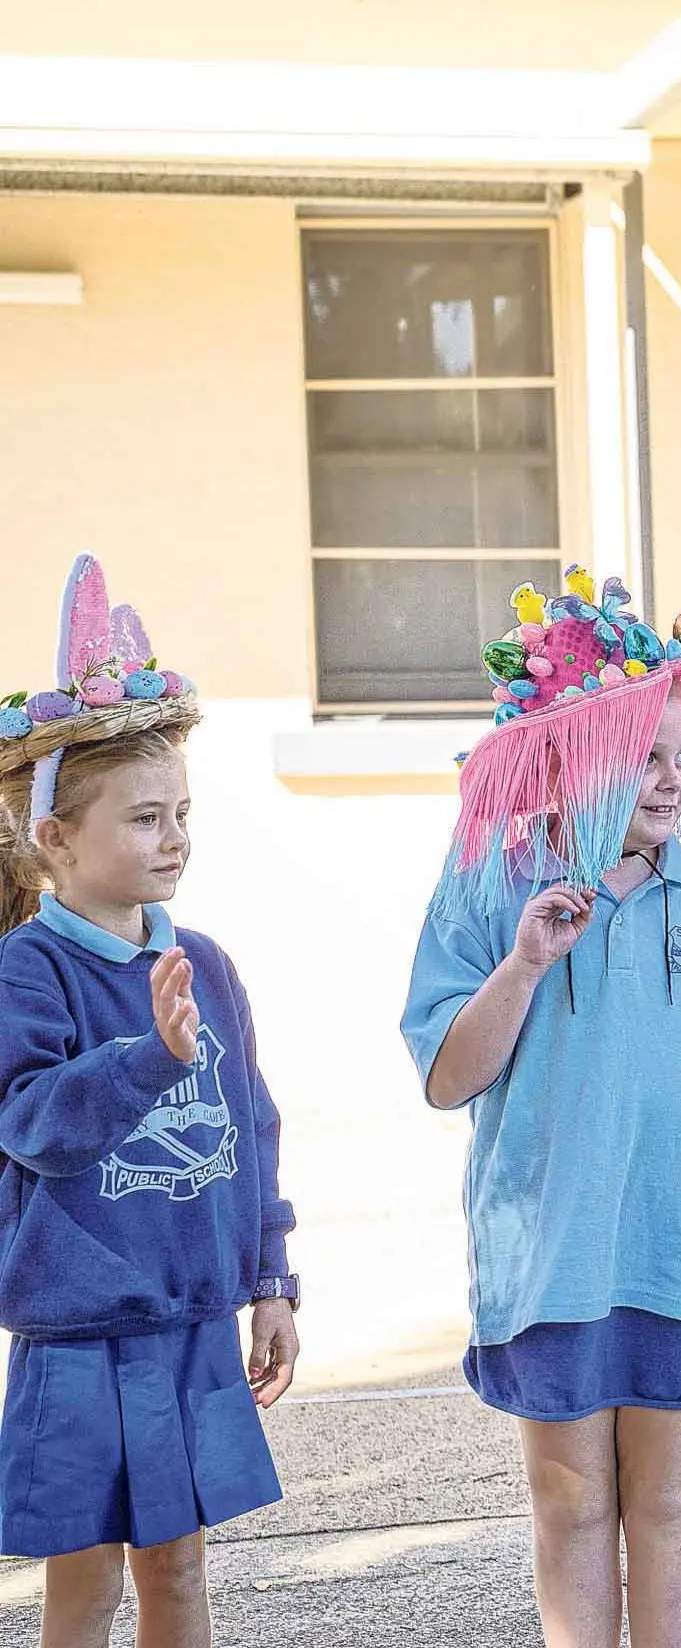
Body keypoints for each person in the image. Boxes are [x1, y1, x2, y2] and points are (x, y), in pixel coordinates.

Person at [402, 570, 681, 1648]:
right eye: (647, 754)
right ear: (569, 752)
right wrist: (525, 963)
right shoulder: (486, 890)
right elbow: (448, 1076)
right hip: (552, 1252)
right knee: (572, 1502)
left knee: (673, 1500)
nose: (674, 777)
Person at [0, 556, 299, 1648]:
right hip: (77, 1332)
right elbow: (29, 1121)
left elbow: (254, 1131)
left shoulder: (206, 963)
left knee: (179, 1573)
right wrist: (148, 1060)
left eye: (180, 812)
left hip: (191, 1325)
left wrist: (269, 1279)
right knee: (82, 1585)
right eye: (141, 818)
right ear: (54, 839)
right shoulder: (25, 971)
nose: (173, 838)